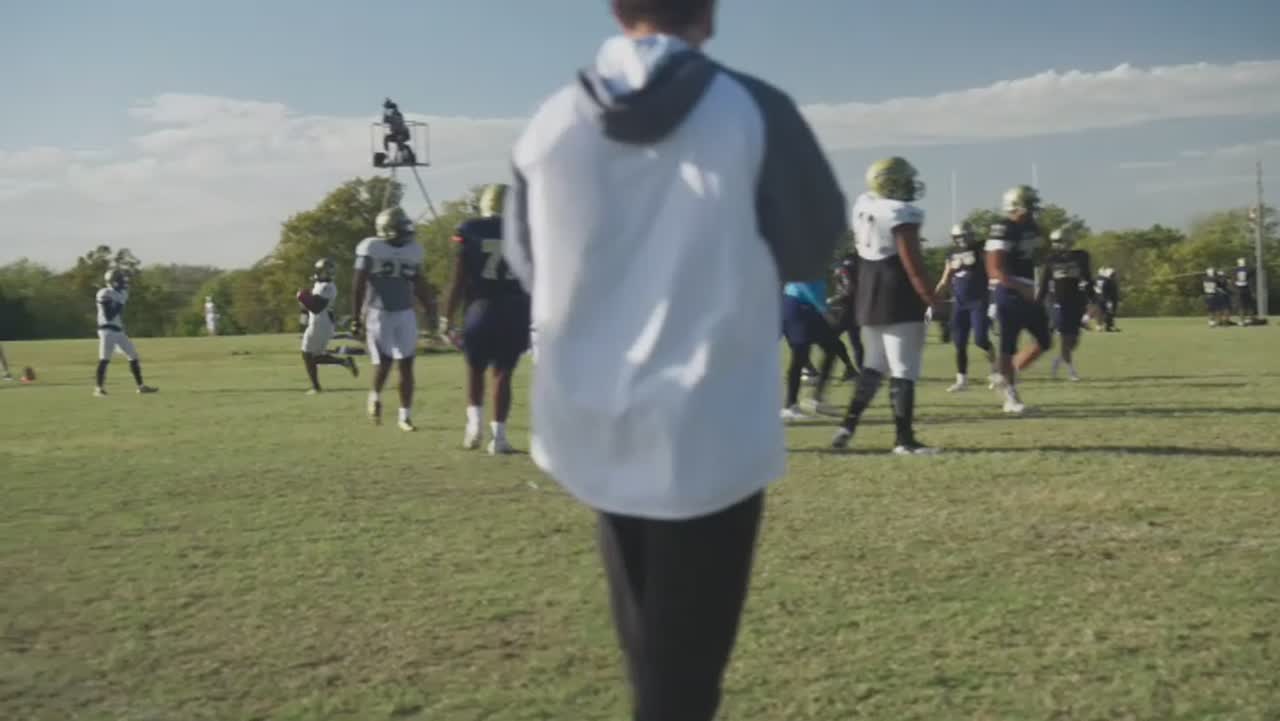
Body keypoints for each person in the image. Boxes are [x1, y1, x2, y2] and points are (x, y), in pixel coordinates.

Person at [501, 0, 846, 717]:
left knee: (649, 645)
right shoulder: (753, 108)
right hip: (713, 408)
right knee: (687, 667)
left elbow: (529, 262)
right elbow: (810, 244)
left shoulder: (551, 121)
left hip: (592, 406)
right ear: (707, 15)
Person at [832, 157, 939, 454]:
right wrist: (933, 300)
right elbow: (913, 264)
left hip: (868, 295)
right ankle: (904, 440)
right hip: (898, 295)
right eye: (904, 179)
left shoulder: (864, 204)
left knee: (874, 366)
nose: (910, 185)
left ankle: (847, 426)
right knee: (904, 369)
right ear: (891, 183)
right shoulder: (900, 213)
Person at [440, 183, 531, 455]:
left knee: (475, 368)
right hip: (515, 308)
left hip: (481, 308)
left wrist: (446, 317)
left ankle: (474, 427)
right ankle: (499, 438)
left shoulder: (470, 229)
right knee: (503, 374)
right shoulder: (526, 229)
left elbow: (458, 279)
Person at [352, 206, 434, 431]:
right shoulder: (372, 247)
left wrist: (431, 308)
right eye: (400, 227)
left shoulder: (412, 250)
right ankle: (375, 397)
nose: (406, 230)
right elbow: (358, 284)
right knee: (385, 362)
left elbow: (418, 281)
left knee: (407, 364)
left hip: (405, 312)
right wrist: (356, 317)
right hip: (379, 312)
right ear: (387, 229)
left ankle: (405, 416)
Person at [985, 185, 1051, 414]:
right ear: (1015, 206)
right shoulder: (1003, 228)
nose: (1032, 210)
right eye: (1029, 205)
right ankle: (1010, 397)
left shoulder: (1032, 228)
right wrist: (1021, 288)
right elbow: (994, 268)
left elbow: (1040, 258)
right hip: (1008, 291)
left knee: (1044, 341)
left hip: (1029, 290)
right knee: (1008, 346)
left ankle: (1004, 375)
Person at [933, 221, 993, 392]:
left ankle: (996, 371)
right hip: (959, 303)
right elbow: (945, 278)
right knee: (959, 343)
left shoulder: (980, 249)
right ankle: (962, 380)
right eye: (959, 236)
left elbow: (992, 269)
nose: (963, 239)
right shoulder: (952, 253)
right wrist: (932, 298)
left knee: (981, 340)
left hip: (978, 301)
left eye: (965, 235)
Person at [780, 279, 847, 420]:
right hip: (797, 305)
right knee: (800, 354)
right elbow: (803, 284)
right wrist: (825, 310)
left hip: (810, 307)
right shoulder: (807, 265)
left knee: (832, 347)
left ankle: (816, 399)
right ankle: (790, 406)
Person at [94, 269, 158, 396]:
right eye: (120, 280)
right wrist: (120, 303)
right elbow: (109, 316)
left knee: (133, 355)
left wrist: (121, 301)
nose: (123, 282)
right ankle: (99, 388)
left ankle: (141, 387)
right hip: (107, 330)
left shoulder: (121, 293)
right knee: (104, 359)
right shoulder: (105, 292)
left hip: (118, 330)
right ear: (112, 281)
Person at [298, 258, 358, 393]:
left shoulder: (328, 287)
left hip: (320, 323)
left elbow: (316, 307)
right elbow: (309, 306)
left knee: (307, 355)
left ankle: (316, 387)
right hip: (320, 323)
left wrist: (302, 297)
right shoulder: (320, 284)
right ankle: (344, 362)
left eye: (326, 271)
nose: (325, 273)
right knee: (313, 356)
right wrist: (303, 318)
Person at [1040, 228, 1092, 381]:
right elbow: (1044, 284)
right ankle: (1071, 371)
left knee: (1073, 341)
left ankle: (1059, 361)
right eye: (1054, 242)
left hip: (1075, 301)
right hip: (1057, 301)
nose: (1056, 244)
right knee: (1065, 336)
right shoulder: (1051, 260)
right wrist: (1037, 303)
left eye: (1059, 241)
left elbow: (1088, 279)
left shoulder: (1081, 257)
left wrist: (1093, 299)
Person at [827, 253, 863, 380]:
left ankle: (850, 369)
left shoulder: (842, 269)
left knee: (831, 339)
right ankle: (859, 371)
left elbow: (848, 289)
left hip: (844, 311)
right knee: (856, 342)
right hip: (855, 310)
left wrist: (832, 300)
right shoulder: (850, 268)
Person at [381, 98, 415, 165]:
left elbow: (396, 123)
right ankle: (388, 155)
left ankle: (404, 156)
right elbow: (384, 121)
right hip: (396, 134)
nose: (391, 111)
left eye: (392, 109)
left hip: (404, 134)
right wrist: (385, 110)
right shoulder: (391, 116)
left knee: (399, 138)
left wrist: (388, 111)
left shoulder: (398, 115)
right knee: (386, 138)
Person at [1234, 257, 1257, 323]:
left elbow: (1233, 280)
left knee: (1241, 305)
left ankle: (1242, 320)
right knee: (1250, 305)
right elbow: (1253, 270)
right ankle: (1250, 319)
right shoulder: (1248, 269)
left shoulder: (1235, 270)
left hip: (1239, 289)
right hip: (1247, 288)